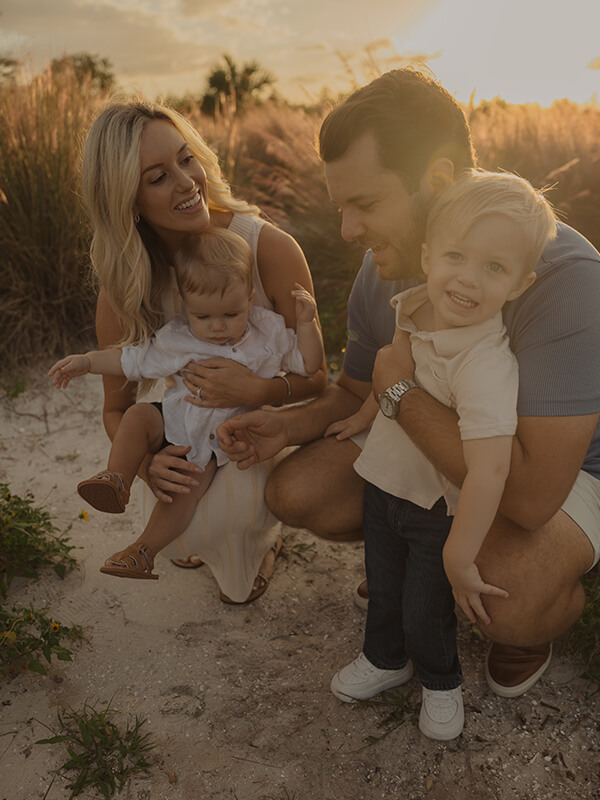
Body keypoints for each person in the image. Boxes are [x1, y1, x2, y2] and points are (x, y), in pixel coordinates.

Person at [218, 69, 600, 697]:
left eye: (364, 204)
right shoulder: (386, 267)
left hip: (564, 472)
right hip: (447, 441)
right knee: (296, 490)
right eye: (342, 207)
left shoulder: (565, 279)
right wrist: (283, 427)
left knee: (510, 595)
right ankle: (424, 558)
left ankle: (538, 614)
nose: (348, 231)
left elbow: (530, 494)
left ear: (438, 179)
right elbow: (351, 390)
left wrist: (400, 395)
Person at [327, 169, 556, 740]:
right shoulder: (412, 307)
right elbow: (391, 375)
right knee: (381, 585)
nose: (468, 280)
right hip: (385, 483)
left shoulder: (485, 364)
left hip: (436, 508)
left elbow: (491, 467)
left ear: (520, 284)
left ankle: (440, 680)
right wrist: (361, 414)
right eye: (456, 255)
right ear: (428, 256)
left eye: (494, 268)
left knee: (425, 606)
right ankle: (385, 659)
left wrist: (462, 553)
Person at [80, 99, 327, 602]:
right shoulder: (125, 286)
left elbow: (317, 379)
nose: (187, 181)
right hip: (183, 434)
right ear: (127, 199)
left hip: (248, 431)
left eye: (186, 158)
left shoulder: (267, 249)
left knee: (233, 535)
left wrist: (257, 388)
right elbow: (116, 409)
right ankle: (177, 535)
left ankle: (262, 538)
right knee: (186, 524)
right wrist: (149, 468)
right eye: (157, 177)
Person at [49, 228, 323, 587]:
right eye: (204, 317)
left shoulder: (265, 334)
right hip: (172, 419)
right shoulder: (179, 336)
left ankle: (141, 551)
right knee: (138, 415)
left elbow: (309, 364)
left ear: (250, 297)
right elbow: (132, 360)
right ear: (183, 303)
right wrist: (87, 362)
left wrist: (307, 323)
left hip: (213, 443)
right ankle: (117, 478)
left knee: (184, 490)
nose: (218, 327)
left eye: (231, 313)